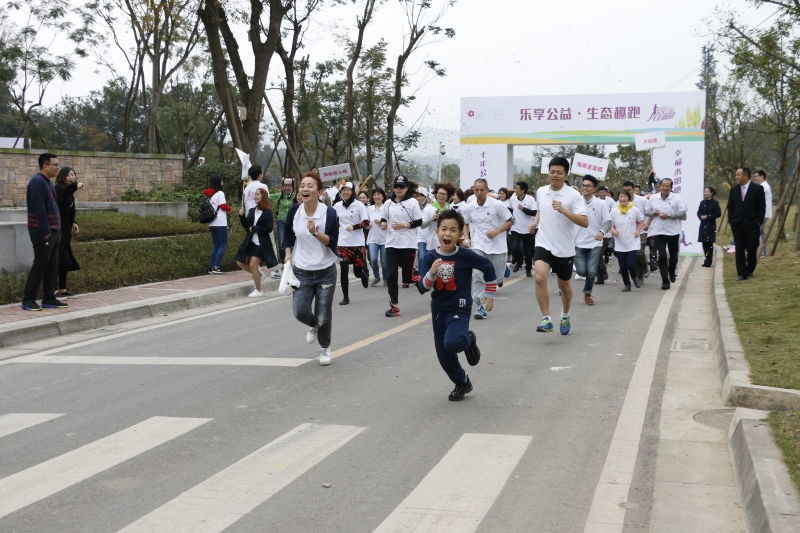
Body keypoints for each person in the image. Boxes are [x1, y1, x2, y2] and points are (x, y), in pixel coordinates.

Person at [419, 209, 495, 401]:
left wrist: (490, 293)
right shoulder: (429, 258)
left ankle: (468, 339)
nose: (447, 233)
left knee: (453, 342)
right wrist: (432, 273)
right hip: (439, 310)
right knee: (444, 356)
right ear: (437, 231)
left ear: (460, 234)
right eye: (444, 229)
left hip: (459, 308)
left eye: (453, 230)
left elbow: (487, 266)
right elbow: (422, 287)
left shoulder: (465, 255)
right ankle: (462, 382)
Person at [283, 170, 340, 365]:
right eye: (303, 186)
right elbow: (288, 236)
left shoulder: (329, 213)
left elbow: (332, 240)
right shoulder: (295, 211)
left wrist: (316, 233)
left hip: (325, 271)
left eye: (310, 186)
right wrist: (288, 253)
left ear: (319, 191)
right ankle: (313, 325)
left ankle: (325, 348)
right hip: (302, 271)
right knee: (299, 311)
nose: (305, 189)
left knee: (324, 314)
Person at [528, 156, 588, 334]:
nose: (555, 175)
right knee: (539, 276)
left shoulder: (573, 195)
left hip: (564, 248)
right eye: (552, 172)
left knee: (564, 286)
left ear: (566, 174)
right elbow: (541, 210)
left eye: (559, 173)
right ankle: (546, 318)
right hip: (543, 242)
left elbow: (584, 222)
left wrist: (563, 210)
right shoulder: (541, 191)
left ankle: (566, 314)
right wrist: (535, 223)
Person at [21, 153, 67, 311]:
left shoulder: (47, 182)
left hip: (54, 232)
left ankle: (49, 298)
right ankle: (28, 299)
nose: (58, 168)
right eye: (55, 165)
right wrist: (46, 231)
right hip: (42, 232)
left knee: (52, 266)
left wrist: (57, 231)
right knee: (40, 265)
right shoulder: (37, 182)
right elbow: (38, 208)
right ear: (45, 165)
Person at [463, 178, 512, 319]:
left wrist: (497, 231)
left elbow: (510, 220)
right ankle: (480, 306)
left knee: (495, 278)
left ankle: (503, 270)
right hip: (478, 245)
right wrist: (467, 238)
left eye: (481, 190)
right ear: (473, 190)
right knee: (478, 274)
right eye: (476, 190)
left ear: (487, 190)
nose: (479, 193)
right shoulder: (469, 207)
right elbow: (465, 223)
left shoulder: (497, 205)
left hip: (497, 246)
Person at [381, 175, 422, 317]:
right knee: (391, 274)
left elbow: (419, 221)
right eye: (396, 186)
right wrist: (383, 223)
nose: (399, 189)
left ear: (406, 188)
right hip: (391, 243)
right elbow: (383, 217)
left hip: (408, 244)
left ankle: (421, 280)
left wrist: (405, 225)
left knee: (408, 277)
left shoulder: (412, 202)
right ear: (393, 187)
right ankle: (394, 306)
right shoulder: (388, 203)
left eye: (402, 187)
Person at [574, 175, 611, 305]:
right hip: (577, 242)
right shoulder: (575, 201)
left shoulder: (601, 203)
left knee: (592, 271)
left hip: (595, 243)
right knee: (581, 271)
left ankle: (587, 294)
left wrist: (602, 232)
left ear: (594, 189)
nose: (585, 188)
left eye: (588, 186)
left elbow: (608, 222)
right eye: (583, 185)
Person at [644, 178, 687, 290]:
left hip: (673, 232)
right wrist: (654, 212)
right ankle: (665, 280)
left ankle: (672, 271)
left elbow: (683, 215)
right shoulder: (653, 198)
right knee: (662, 255)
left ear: (671, 188)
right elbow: (646, 211)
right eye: (663, 186)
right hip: (658, 231)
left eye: (667, 186)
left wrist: (669, 215)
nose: (665, 188)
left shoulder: (677, 198)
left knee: (673, 257)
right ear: (660, 186)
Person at [235, 188, 279, 297]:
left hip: (261, 243)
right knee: (239, 262)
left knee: (253, 264)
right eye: (255, 194)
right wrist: (241, 216)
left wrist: (255, 228)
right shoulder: (251, 210)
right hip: (250, 242)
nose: (255, 196)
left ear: (263, 196)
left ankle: (258, 290)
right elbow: (247, 226)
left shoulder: (268, 213)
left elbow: (268, 229)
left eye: (258, 194)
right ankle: (258, 274)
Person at [332, 181, 369, 305]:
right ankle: (345, 297)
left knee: (358, 272)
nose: (345, 192)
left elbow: (366, 223)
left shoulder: (359, 205)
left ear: (352, 191)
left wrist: (354, 227)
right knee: (343, 269)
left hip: (358, 243)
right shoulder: (336, 206)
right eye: (343, 190)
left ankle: (363, 274)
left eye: (348, 190)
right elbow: (332, 222)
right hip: (343, 243)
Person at [728, 167, 766, 281]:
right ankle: (741, 273)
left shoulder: (757, 189)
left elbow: (761, 207)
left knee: (751, 249)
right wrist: (731, 221)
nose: (736, 177)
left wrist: (758, 222)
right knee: (739, 249)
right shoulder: (733, 190)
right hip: (737, 225)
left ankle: (750, 270)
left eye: (738, 175)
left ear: (745, 176)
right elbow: (730, 207)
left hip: (752, 225)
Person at [54, 166, 84, 299]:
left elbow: (68, 212)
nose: (72, 177)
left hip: (65, 230)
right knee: (58, 260)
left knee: (64, 260)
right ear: (62, 177)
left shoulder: (69, 193)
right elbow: (66, 190)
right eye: (69, 175)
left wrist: (74, 222)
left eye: (74, 175)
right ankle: (52, 290)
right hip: (57, 230)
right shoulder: (59, 189)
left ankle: (62, 289)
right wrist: (76, 185)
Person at [610, 190, 645, 291]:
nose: (622, 199)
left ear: (628, 198)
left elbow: (640, 221)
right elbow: (609, 224)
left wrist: (638, 231)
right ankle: (627, 284)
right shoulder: (614, 211)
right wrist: (613, 231)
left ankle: (634, 277)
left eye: (625, 197)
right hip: (620, 243)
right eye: (621, 197)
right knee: (623, 266)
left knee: (631, 264)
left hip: (632, 242)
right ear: (618, 198)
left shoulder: (635, 209)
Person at [508, 181, 538, 277]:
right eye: (515, 188)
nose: (515, 190)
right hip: (516, 228)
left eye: (517, 189)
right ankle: (519, 262)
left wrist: (523, 209)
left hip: (528, 229)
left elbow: (535, 213)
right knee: (514, 247)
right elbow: (509, 210)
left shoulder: (530, 199)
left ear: (523, 190)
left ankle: (528, 269)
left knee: (529, 252)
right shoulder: (513, 198)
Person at [270, 177, 298, 277]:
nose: (287, 188)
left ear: (292, 187)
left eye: (289, 186)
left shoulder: (295, 196)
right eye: (285, 186)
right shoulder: (279, 196)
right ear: (282, 187)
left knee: (295, 242)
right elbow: (266, 196)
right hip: (281, 221)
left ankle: (295, 263)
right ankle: (284, 264)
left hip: (293, 222)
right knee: (282, 243)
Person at [366, 188, 389, 286]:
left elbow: (391, 223)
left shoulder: (386, 209)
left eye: (379, 194)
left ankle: (386, 278)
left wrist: (382, 222)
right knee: (373, 259)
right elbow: (365, 222)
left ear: (383, 197)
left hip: (385, 239)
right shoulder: (369, 208)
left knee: (384, 262)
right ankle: (376, 277)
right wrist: (367, 226)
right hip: (372, 238)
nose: (376, 196)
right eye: (375, 195)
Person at [415, 186, 438, 285]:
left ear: (426, 196)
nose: (419, 197)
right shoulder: (414, 208)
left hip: (430, 237)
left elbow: (435, 220)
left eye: (421, 195)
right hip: (419, 237)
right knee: (421, 257)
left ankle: (430, 276)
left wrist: (434, 218)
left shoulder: (431, 208)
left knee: (429, 259)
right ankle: (422, 277)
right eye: (417, 195)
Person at [697, 186, 721, 267]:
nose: (705, 193)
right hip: (703, 225)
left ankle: (709, 261)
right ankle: (706, 260)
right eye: (704, 192)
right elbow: (698, 212)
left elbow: (718, 213)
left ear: (711, 193)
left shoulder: (715, 203)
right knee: (704, 244)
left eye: (707, 192)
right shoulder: (702, 202)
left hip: (711, 226)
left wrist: (708, 216)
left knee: (709, 244)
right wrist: (700, 217)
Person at [595, 186, 615, 284]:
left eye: (604, 192)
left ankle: (603, 271)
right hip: (597, 231)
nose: (602, 194)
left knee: (598, 254)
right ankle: (600, 277)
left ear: (606, 193)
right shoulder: (596, 201)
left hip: (607, 232)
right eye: (600, 192)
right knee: (597, 255)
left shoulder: (611, 202)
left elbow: (613, 214)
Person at [752, 169, 772, 257]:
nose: (754, 178)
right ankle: (764, 253)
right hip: (764, 213)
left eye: (756, 176)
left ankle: (761, 253)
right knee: (761, 233)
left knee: (756, 231)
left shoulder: (763, 186)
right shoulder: (763, 186)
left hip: (763, 214)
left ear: (762, 176)